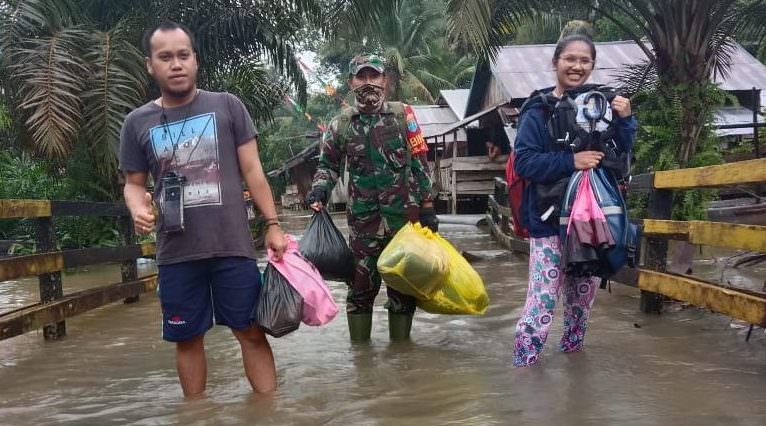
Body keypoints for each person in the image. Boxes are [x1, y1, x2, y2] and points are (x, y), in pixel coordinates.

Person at [118, 21, 287, 396]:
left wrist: (273, 224)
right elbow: (133, 183)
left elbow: (253, 170)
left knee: (250, 331)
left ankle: (270, 412)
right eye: (165, 57)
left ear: (195, 60)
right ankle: (196, 415)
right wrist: (136, 206)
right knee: (187, 339)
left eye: (183, 55)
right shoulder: (136, 123)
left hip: (232, 246)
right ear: (151, 65)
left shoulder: (227, 106)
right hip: (176, 253)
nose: (175, 64)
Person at [512, 35, 637, 367]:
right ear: (555, 63)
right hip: (548, 221)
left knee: (581, 304)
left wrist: (626, 121)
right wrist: (572, 161)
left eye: (585, 60)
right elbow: (524, 162)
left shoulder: (605, 104)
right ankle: (523, 370)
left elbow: (623, 156)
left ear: (592, 65)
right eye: (570, 59)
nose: (577, 66)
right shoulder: (537, 111)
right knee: (541, 302)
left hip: (591, 223)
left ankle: (574, 367)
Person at [307, 54, 437, 342]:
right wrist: (319, 190)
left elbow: (419, 161)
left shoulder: (404, 116)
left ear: (385, 81)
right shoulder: (341, 124)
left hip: (403, 224)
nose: (368, 83)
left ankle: (401, 357)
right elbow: (327, 166)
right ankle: (362, 362)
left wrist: (427, 206)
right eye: (361, 77)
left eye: (374, 76)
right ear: (351, 83)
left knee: (403, 291)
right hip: (362, 227)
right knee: (360, 290)